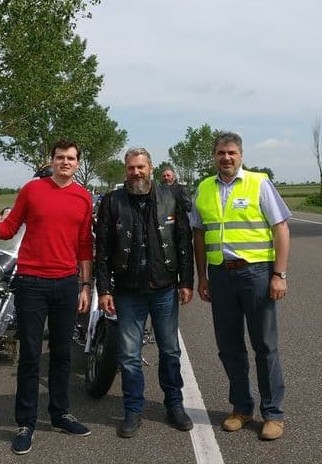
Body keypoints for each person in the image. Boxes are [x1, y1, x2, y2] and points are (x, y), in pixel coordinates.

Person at [0, 140, 94, 455]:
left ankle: (60, 413)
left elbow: (83, 245)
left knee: (62, 354)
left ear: (78, 163)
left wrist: (85, 285)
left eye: (71, 158)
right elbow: (8, 228)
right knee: (30, 356)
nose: (65, 162)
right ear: (51, 161)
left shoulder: (83, 197)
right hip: (31, 283)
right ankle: (26, 423)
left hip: (66, 283)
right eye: (59, 157)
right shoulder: (32, 190)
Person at [191, 131, 291, 441]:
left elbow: (281, 228)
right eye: (221, 152)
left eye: (232, 152)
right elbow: (198, 233)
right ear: (214, 156)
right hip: (221, 276)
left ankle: (272, 413)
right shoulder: (204, 188)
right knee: (230, 347)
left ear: (241, 155)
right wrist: (202, 276)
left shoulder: (259, 183)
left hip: (256, 274)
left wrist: (279, 274)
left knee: (264, 345)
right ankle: (242, 408)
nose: (226, 157)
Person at [94, 148, 195, 438]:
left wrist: (186, 281)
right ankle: (133, 410)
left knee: (170, 350)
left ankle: (174, 405)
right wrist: (104, 288)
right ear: (125, 170)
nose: (136, 172)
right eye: (130, 168)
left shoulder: (170, 197)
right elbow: (102, 248)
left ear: (151, 167)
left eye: (141, 167)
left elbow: (183, 241)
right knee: (128, 355)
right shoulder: (112, 201)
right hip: (127, 291)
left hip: (164, 289)